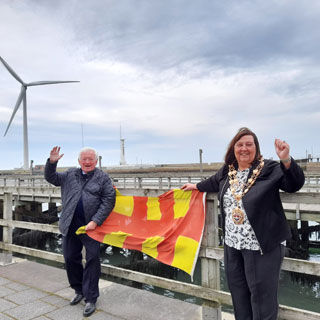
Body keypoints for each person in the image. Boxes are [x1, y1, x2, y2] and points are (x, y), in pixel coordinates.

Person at [181, 127, 305, 320]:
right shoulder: (228, 170)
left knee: (262, 299)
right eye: (240, 145)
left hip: (263, 245)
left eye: (249, 144)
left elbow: (294, 184)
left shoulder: (269, 168)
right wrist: (195, 187)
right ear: (234, 148)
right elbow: (212, 183)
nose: (244, 149)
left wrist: (286, 160)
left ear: (256, 148)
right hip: (233, 245)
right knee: (239, 296)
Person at [45, 146, 116, 317]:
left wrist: (95, 221)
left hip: (91, 226)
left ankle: (91, 298)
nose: (87, 162)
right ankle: (78, 290)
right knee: (70, 258)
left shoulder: (103, 178)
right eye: (84, 159)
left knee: (92, 260)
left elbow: (109, 200)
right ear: (79, 161)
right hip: (70, 223)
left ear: (96, 161)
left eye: (91, 159)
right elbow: (51, 177)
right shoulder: (70, 174)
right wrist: (52, 163)